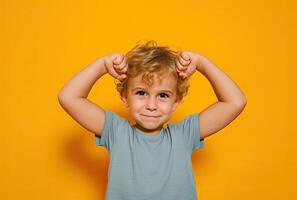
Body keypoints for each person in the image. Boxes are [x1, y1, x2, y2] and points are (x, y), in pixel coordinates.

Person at [58, 40, 247, 200]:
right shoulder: (116, 131)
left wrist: (202, 63)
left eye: (163, 95)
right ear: (125, 97)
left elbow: (235, 102)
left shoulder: (184, 134)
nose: (152, 105)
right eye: (141, 93)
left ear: (176, 101)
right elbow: (69, 97)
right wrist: (102, 65)